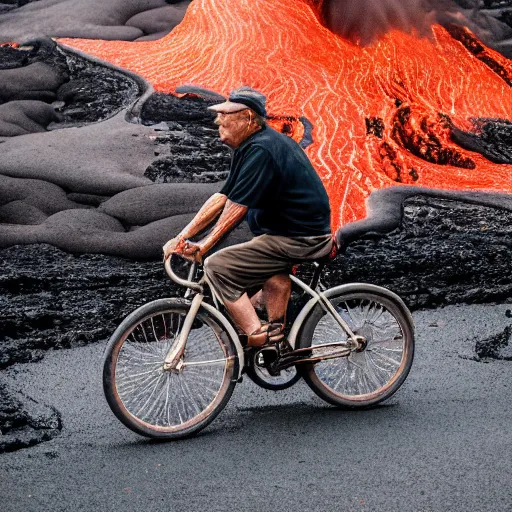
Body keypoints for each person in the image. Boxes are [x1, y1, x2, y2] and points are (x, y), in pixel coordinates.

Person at [163, 86, 333, 347]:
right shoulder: (250, 146)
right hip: (285, 233)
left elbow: (237, 207)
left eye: (227, 115)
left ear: (249, 119)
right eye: (219, 114)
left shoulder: (262, 150)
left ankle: (258, 337)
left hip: (299, 236)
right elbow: (222, 197)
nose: (218, 120)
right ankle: (277, 342)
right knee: (271, 276)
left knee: (217, 266)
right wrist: (183, 236)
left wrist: (205, 246)